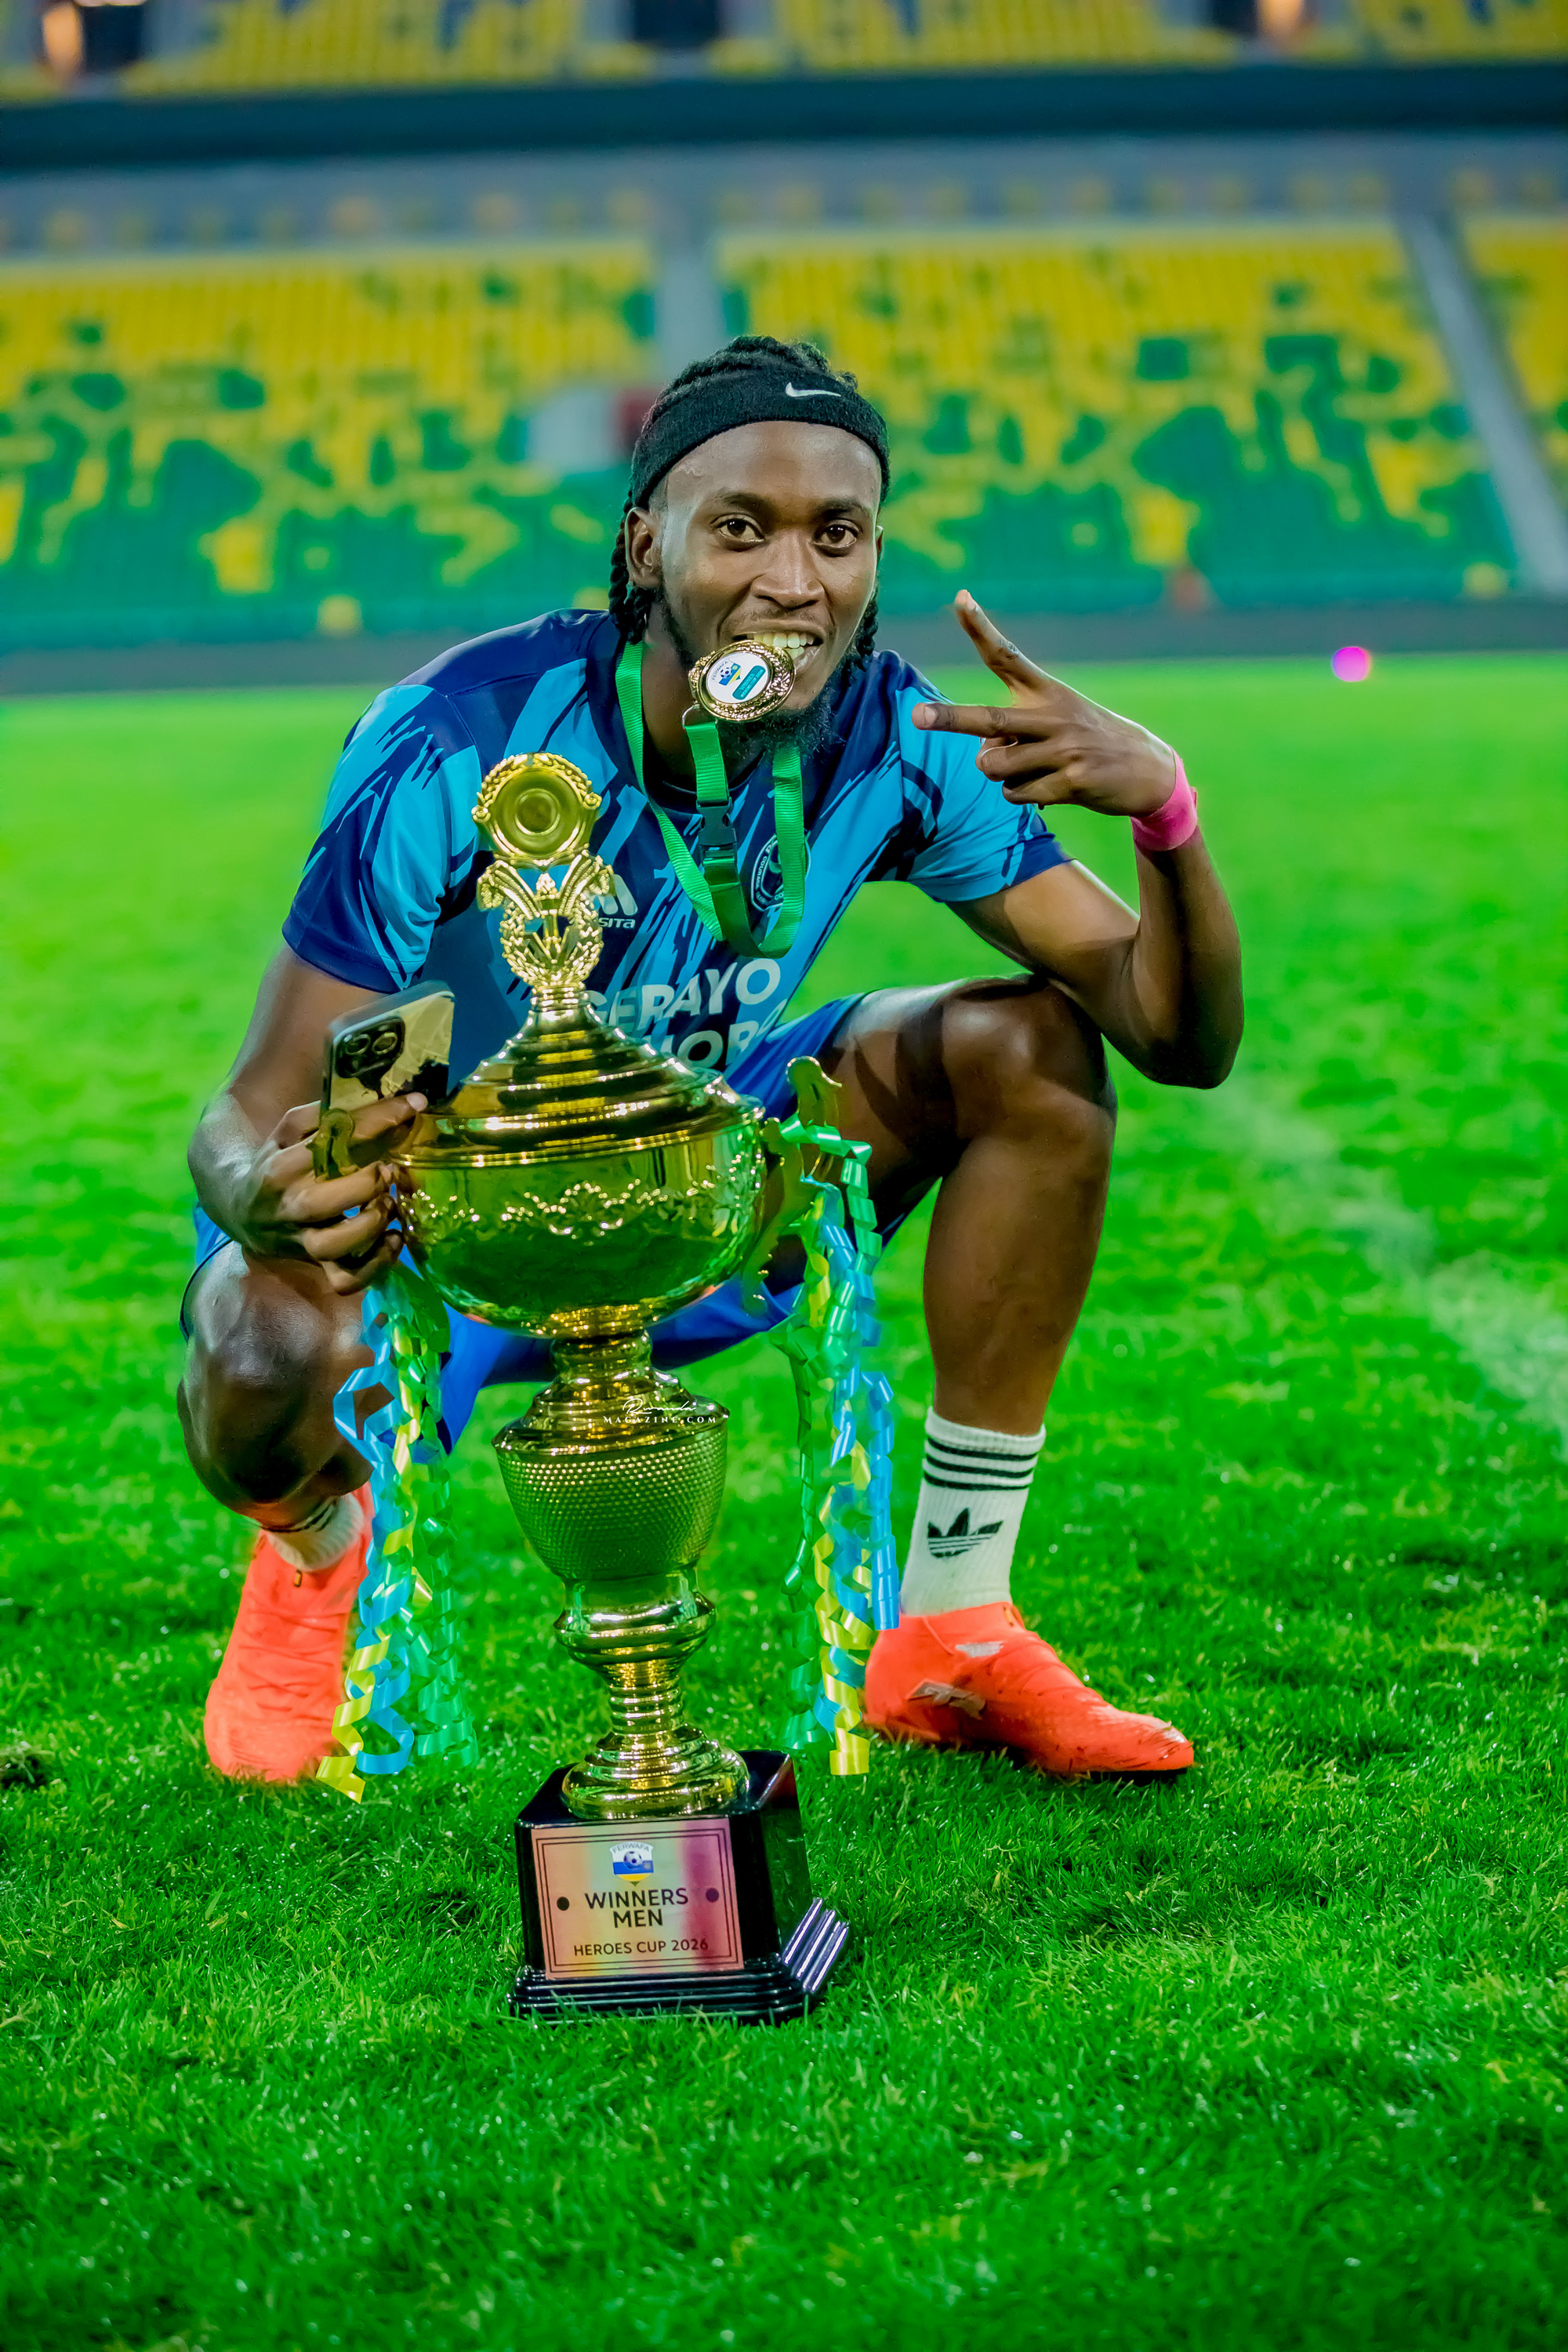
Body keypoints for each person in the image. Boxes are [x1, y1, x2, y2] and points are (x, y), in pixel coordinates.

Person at [182, 335, 1243, 1786]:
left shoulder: (896, 732)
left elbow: (1174, 1035)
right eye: (740, 528)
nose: (793, 581)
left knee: (1032, 1045)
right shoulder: (462, 735)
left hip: (700, 1186)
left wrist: (1166, 814)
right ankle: (318, 1553)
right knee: (264, 1357)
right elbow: (252, 1106)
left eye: (837, 535)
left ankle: (957, 1620)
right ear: (646, 547)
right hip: (440, 1214)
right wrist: (260, 1195)